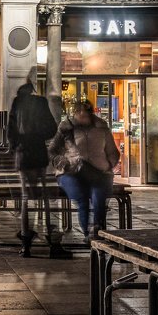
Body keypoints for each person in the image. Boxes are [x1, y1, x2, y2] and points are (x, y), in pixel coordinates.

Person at [7, 77, 71, 258]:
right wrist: (37, 136)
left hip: (22, 155)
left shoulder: (17, 103)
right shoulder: (40, 102)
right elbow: (51, 128)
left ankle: (26, 242)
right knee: (45, 198)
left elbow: (10, 130)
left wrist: (16, 145)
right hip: (38, 152)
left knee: (26, 197)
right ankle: (52, 241)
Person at [48, 99, 120, 243]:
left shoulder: (101, 128)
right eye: (78, 113)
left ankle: (97, 230)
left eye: (85, 113)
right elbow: (52, 151)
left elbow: (112, 151)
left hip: (99, 172)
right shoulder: (66, 128)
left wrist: (108, 165)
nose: (81, 116)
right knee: (82, 198)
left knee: (99, 197)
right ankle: (88, 232)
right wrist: (62, 162)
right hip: (71, 172)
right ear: (74, 113)